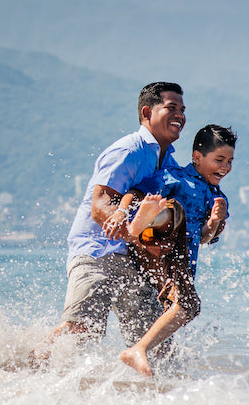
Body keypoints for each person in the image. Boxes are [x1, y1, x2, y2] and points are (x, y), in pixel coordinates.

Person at [36, 81, 187, 358]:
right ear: (146, 113)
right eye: (171, 108)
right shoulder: (129, 150)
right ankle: (22, 365)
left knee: (157, 346)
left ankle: (153, 397)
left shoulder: (170, 162)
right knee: (81, 329)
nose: (179, 115)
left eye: (183, 109)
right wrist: (126, 228)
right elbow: (99, 204)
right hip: (97, 253)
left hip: (133, 262)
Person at [117, 124, 236, 376]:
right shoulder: (175, 177)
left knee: (185, 307)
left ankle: (142, 363)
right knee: (189, 303)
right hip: (160, 249)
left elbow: (205, 238)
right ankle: (138, 350)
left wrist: (215, 222)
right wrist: (120, 211)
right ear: (197, 157)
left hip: (179, 260)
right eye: (219, 160)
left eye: (230, 161)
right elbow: (134, 192)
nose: (225, 167)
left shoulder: (217, 196)